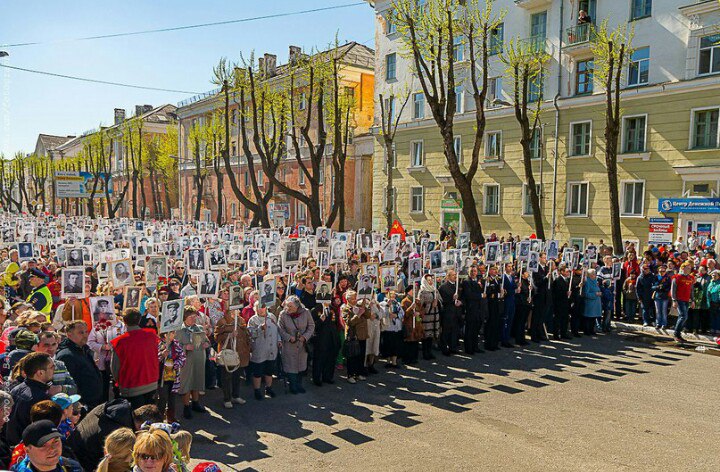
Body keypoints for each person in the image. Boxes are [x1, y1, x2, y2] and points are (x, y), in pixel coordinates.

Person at [110, 308, 159, 409]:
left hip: (131, 386)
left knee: (135, 419)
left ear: (124, 321)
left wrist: (119, 383)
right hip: (151, 382)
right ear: (140, 320)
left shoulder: (120, 342)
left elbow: (115, 368)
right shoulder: (152, 336)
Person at [8, 353, 55, 446]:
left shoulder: (15, 390)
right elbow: (42, 431)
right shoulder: (41, 399)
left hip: (13, 448)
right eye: (51, 367)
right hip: (28, 450)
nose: (54, 370)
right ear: (40, 373)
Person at [55, 320, 103, 410]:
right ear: (69, 334)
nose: (85, 335)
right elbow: (68, 383)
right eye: (81, 332)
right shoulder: (66, 355)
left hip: (93, 401)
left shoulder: (84, 349)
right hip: (82, 404)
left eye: (86, 332)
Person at [176, 306, 210, 419]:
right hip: (186, 361)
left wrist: (206, 344)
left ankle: (195, 403)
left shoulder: (199, 328)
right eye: (191, 317)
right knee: (187, 383)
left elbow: (206, 341)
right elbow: (174, 347)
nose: (193, 319)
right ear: (184, 317)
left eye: (195, 317)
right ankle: (186, 406)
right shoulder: (179, 330)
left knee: (197, 380)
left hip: (199, 358)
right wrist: (185, 347)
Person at [214, 307, 251, 409]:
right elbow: (216, 338)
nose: (238, 311)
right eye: (235, 309)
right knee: (226, 377)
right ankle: (227, 398)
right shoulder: (222, 321)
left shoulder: (240, 320)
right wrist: (229, 335)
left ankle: (236, 395)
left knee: (237, 376)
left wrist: (249, 348)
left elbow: (246, 334)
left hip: (241, 353)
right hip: (228, 354)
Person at [278, 295, 315, 394]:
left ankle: (299, 384)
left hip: (302, 345)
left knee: (301, 366)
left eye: (291, 306)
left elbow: (311, 326)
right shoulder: (283, 314)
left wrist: (305, 337)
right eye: (287, 306)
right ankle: (292, 386)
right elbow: (280, 329)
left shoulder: (306, 312)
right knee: (291, 367)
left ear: (297, 306)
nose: (288, 308)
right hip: (289, 345)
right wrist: (289, 337)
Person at [12, 420, 82, 472]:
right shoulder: (16, 470)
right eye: (43, 445)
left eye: (55, 441)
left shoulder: (73, 468)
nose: (52, 449)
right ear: (27, 450)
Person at [247, 301, 280, 399]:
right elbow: (250, 334)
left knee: (269, 370)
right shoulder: (253, 320)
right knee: (258, 371)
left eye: (263, 307)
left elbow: (277, 330)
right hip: (259, 349)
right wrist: (260, 329)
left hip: (271, 348)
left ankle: (268, 388)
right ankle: (257, 390)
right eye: (259, 307)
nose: (261, 309)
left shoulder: (272, 317)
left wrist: (279, 340)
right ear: (255, 308)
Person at [341, 291, 369, 383]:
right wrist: (358, 314)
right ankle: (350, 375)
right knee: (352, 356)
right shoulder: (345, 309)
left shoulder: (358, 306)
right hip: (353, 335)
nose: (355, 300)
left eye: (355, 298)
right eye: (353, 299)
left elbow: (368, 315)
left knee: (361, 355)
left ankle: (359, 373)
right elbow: (349, 322)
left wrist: (364, 306)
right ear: (348, 299)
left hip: (362, 334)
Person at [460, 266, 484, 354]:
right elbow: (469, 295)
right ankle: (469, 349)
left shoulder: (477, 282)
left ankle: (475, 347)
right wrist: (480, 295)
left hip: (478, 309)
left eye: (475, 271)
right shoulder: (466, 282)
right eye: (472, 271)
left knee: (476, 329)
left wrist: (481, 287)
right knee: (469, 330)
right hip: (470, 309)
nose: (474, 273)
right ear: (469, 272)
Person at [438, 269, 461, 355]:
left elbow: (461, 297)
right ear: (448, 277)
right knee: (446, 331)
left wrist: (460, 302)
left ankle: (453, 347)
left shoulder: (457, 286)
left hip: (456, 312)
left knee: (455, 331)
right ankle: (444, 348)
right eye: (453, 275)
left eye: (455, 275)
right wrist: (452, 299)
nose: (455, 276)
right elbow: (442, 301)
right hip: (447, 313)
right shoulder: (443, 287)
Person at [417, 274, 439, 360]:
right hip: (426, 317)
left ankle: (430, 352)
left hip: (434, 316)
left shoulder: (434, 290)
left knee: (431, 336)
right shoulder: (422, 291)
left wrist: (437, 302)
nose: (430, 281)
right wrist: (430, 304)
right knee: (425, 336)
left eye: (431, 279)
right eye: (428, 280)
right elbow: (420, 305)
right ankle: (425, 353)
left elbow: (440, 300)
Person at [671, 262, 695, 343]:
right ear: (683, 268)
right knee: (683, 316)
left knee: (684, 317)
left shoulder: (691, 278)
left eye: (690, 268)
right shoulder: (677, 277)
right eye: (688, 268)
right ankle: (676, 334)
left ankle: (678, 334)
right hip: (679, 299)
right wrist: (674, 300)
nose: (689, 269)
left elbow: (691, 290)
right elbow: (673, 290)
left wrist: (692, 300)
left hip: (686, 300)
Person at [551, 266, 571, 340]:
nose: (568, 273)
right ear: (562, 272)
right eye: (566, 272)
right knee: (558, 319)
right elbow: (556, 292)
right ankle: (556, 335)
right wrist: (565, 293)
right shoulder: (558, 280)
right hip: (559, 303)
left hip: (565, 303)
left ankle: (564, 333)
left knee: (565, 319)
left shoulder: (568, 280)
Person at [582, 269, 602, 335]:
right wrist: (595, 294)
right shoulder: (587, 282)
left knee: (593, 318)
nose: (595, 275)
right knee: (588, 318)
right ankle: (587, 331)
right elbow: (586, 294)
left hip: (596, 304)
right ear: (590, 275)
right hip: (590, 303)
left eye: (595, 274)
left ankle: (592, 330)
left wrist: (599, 293)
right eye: (593, 274)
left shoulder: (595, 281)